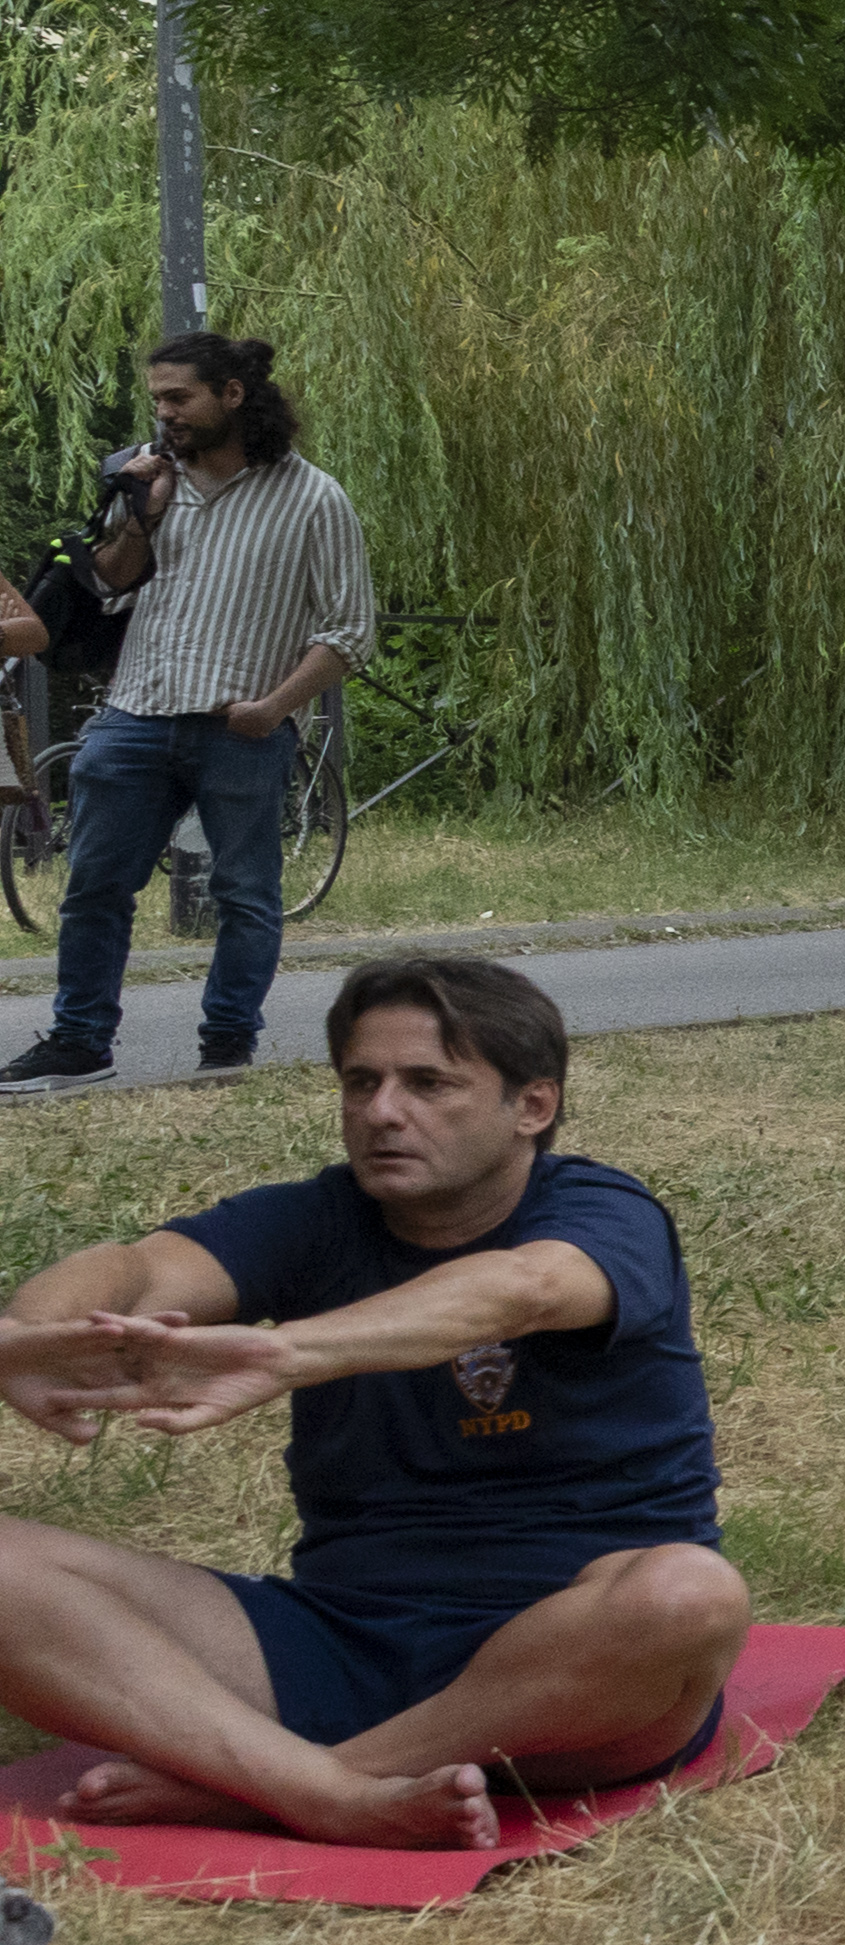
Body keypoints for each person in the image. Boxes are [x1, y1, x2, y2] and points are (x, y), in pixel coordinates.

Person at [0, 956, 746, 1845]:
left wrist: (287, 1354)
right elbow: (139, 1267)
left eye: (428, 1083)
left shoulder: (602, 1213)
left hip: (574, 1675)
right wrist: (28, 1334)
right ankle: (322, 1787)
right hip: (339, 1638)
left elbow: (520, 1290)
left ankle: (280, 1786)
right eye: (362, 1082)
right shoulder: (316, 1216)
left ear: (531, 1108)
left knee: (690, 1596)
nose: (382, 1113)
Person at [5, 332, 378, 1088]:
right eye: (158, 401)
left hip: (241, 727)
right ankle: (79, 1043)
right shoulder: (153, 482)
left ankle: (226, 1047)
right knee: (95, 886)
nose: (165, 414)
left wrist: (274, 708)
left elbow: (348, 630)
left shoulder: (314, 498)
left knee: (245, 894)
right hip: (133, 715)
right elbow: (109, 584)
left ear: (232, 395)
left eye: (180, 398)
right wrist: (140, 515)